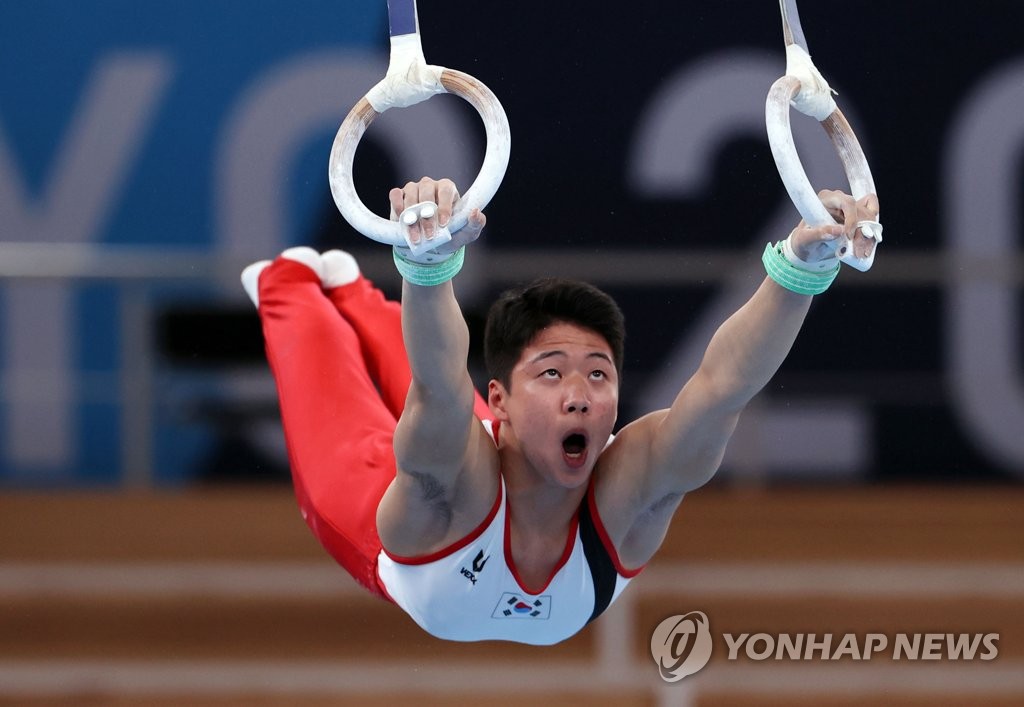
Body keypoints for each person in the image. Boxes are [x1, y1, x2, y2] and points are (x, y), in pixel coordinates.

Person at [241, 177, 880, 645]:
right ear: (499, 402)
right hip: (384, 510)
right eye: (552, 373)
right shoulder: (458, 474)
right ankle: (292, 282)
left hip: (451, 498)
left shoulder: (629, 490)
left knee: (412, 370)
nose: (580, 393)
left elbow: (722, 388)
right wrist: (426, 264)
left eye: (598, 373)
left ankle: (350, 287)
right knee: (318, 336)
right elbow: (439, 385)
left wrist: (798, 271)